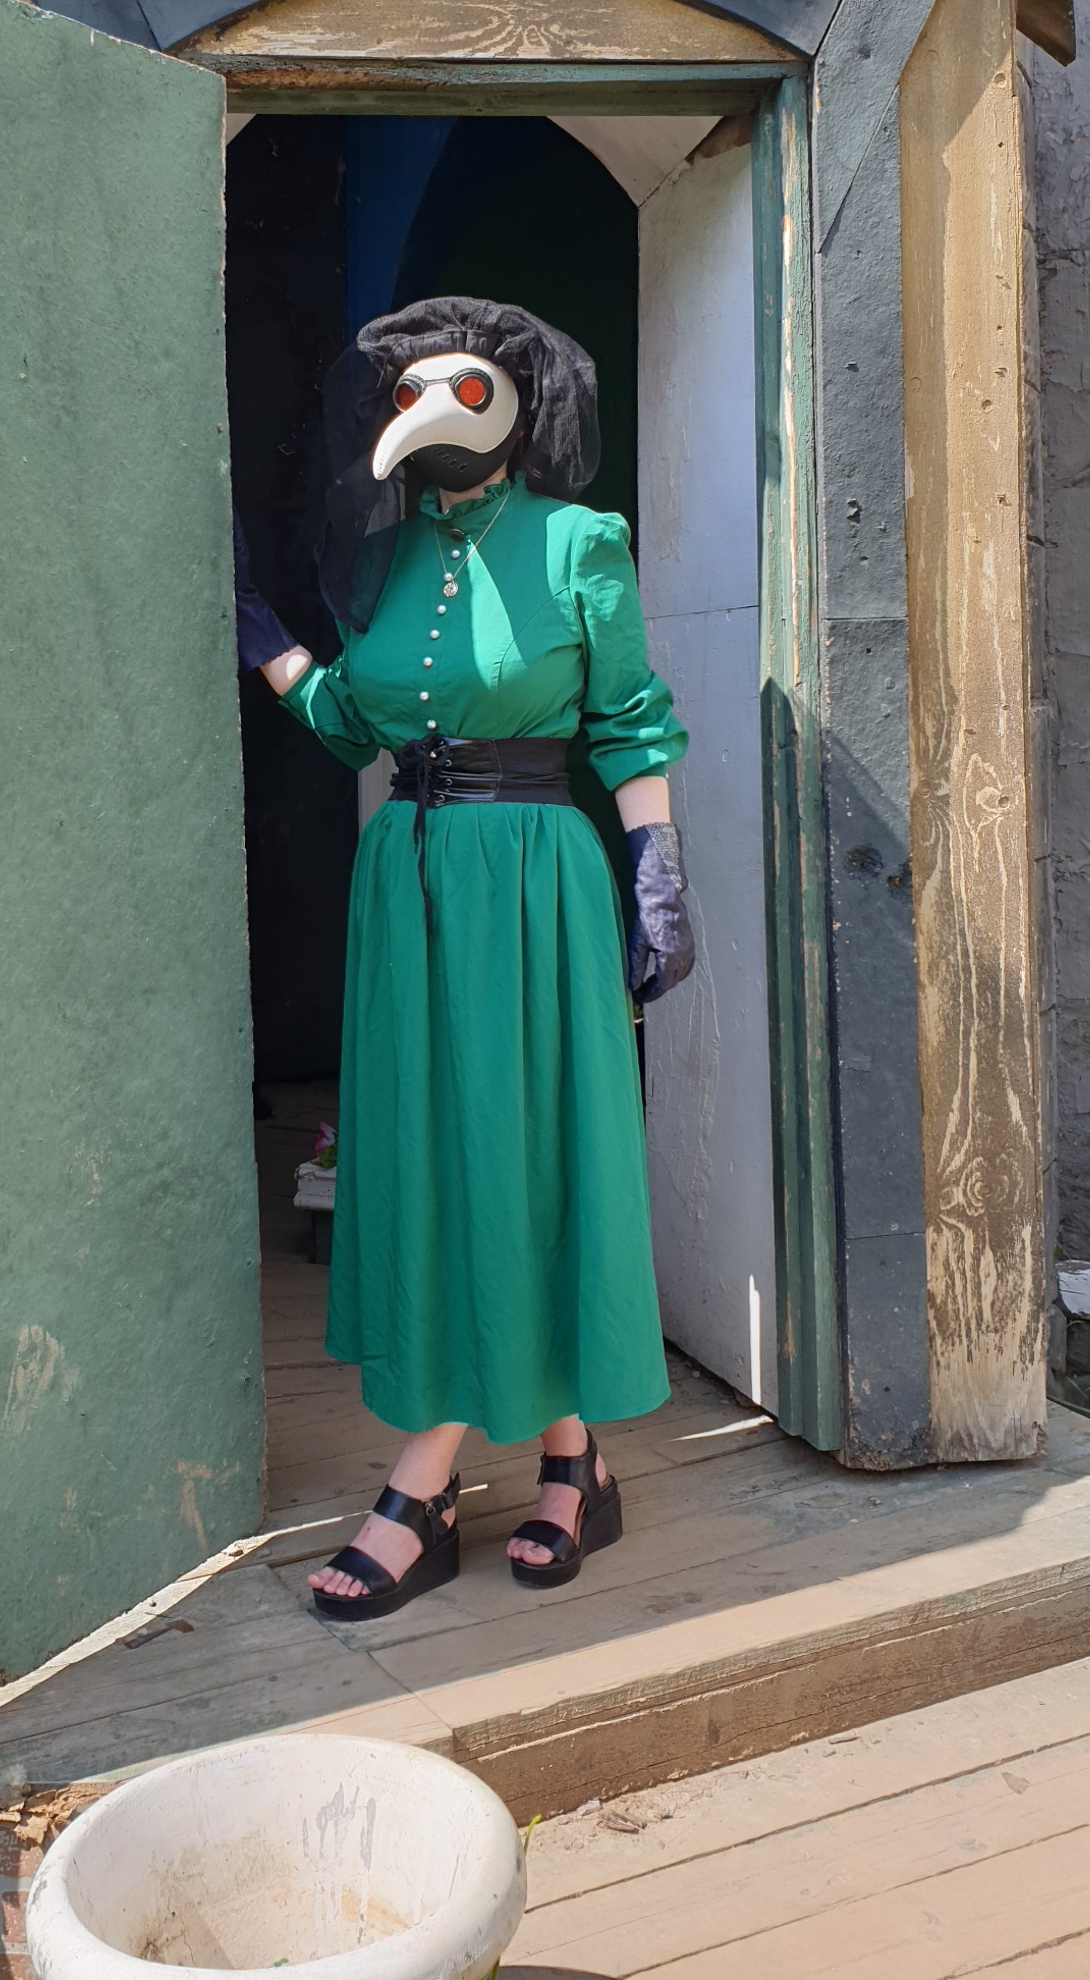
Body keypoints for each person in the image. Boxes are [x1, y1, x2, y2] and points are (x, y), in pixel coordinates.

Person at [236, 297, 692, 1618]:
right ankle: (571, 1460)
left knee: (531, 1150)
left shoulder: (577, 543)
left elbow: (628, 720)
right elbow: (344, 720)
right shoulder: (381, 567)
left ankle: (425, 1476)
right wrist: (265, 637)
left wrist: (656, 869)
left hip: (533, 877)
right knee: (428, 1158)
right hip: (409, 879)